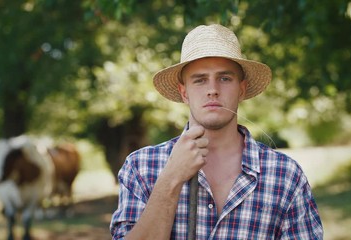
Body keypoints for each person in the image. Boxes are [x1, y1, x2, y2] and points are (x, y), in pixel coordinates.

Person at [110, 24, 323, 239]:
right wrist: (171, 178)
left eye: (224, 78)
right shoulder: (141, 168)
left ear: (242, 89)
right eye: (200, 80)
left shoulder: (285, 175)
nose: (213, 90)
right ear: (184, 93)